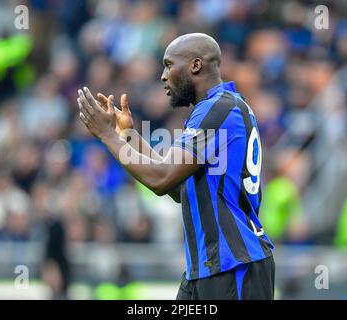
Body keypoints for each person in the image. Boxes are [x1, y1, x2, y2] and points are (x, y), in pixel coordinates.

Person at [77, 33, 275, 300]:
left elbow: (161, 179)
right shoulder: (220, 108)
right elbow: (176, 186)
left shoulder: (218, 110)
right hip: (207, 268)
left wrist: (107, 136)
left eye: (169, 65)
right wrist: (126, 135)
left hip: (234, 265)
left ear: (195, 65)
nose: (163, 75)